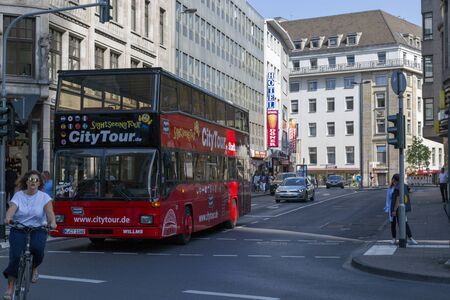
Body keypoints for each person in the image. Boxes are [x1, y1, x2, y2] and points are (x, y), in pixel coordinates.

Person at [2, 170, 57, 300]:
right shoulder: (18, 196)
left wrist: (53, 222)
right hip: (19, 228)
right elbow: (12, 209)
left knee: (38, 250)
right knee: (15, 256)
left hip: (38, 228)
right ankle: (10, 287)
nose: (33, 182)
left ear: (39, 183)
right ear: (26, 182)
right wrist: (8, 218)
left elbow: (50, 213)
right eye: (31, 180)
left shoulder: (44, 197)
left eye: (36, 180)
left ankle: (33, 267)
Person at [386, 173, 418, 245]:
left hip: (397, 208)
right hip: (394, 207)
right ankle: (397, 238)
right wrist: (388, 208)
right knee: (395, 223)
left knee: (403, 223)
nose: (392, 181)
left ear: (394, 179)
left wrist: (394, 210)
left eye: (393, 179)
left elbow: (398, 198)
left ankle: (407, 238)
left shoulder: (399, 187)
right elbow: (388, 199)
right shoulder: (393, 187)